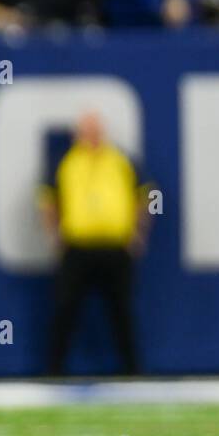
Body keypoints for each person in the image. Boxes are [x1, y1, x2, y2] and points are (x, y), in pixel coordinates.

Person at [41, 110, 149, 376]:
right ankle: (54, 371)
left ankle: (132, 371)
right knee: (65, 309)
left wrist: (138, 233)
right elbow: (47, 200)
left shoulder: (121, 160)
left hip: (115, 248)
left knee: (121, 311)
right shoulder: (66, 162)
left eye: (95, 129)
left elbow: (143, 195)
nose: (91, 135)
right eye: (86, 130)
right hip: (78, 249)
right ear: (77, 134)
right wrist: (56, 236)